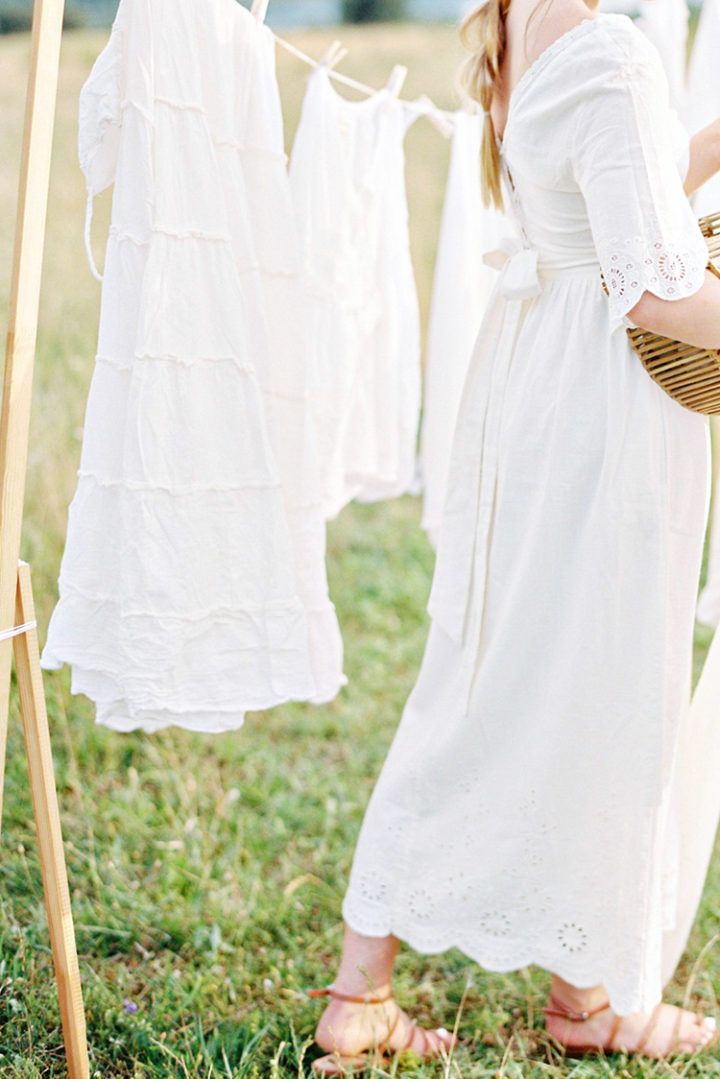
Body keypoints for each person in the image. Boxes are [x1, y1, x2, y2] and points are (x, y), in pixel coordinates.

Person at [309, 0, 720, 1071]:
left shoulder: (520, 25)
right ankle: (568, 1000)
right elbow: (657, 292)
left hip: (545, 400)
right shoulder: (614, 50)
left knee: (508, 678)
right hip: (608, 419)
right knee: (604, 690)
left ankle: (534, 993)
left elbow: (608, 206)